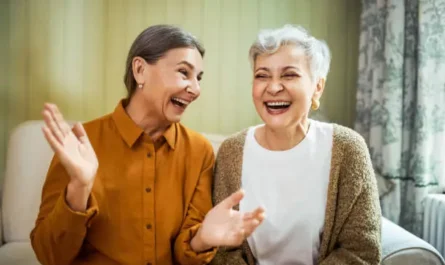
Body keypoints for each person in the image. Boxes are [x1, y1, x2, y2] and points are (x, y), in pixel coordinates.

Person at [30, 24, 265, 265]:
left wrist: (202, 238)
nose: (195, 89)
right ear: (140, 70)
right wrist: (79, 187)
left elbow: (186, 257)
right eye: (184, 72)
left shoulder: (200, 151)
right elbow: (49, 256)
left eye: (199, 78)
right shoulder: (80, 144)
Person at [210, 24, 382, 265]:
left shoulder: (347, 148)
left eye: (289, 74)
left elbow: (361, 251)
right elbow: (222, 252)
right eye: (262, 75)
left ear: (317, 87)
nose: (273, 87)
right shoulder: (232, 151)